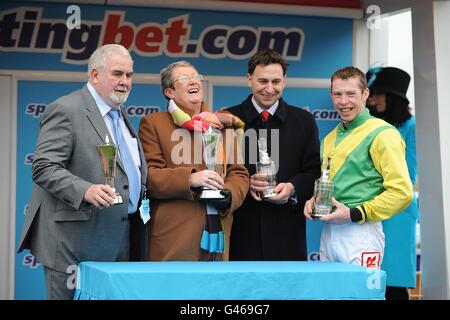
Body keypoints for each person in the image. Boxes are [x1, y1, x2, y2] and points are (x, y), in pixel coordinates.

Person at [17, 44, 148, 300]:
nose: (125, 82)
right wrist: (85, 189)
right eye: (117, 74)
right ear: (95, 75)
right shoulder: (67, 109)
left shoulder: (119, 114)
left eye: (129, 75)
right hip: (74, 244)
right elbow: (43, 166)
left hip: (120, 239)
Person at [304, 66, 414, 269]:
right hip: (329, 231)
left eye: (350, 94)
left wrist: (356, 213)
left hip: (361, 232)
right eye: (337, 94)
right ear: (331, 95)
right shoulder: (329, 138)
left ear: (365, 94)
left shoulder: (383, 133)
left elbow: (402, 193)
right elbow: (329, 183)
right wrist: (314, 201)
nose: (343, 101)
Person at [138, 61, 249, 261]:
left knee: (214, 291)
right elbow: (150, 176)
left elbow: (239, 173)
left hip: (219, 233)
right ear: (169, 92)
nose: (193, 82)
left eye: (196, 77)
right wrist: (190, 179)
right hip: (175, 237)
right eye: (185, 79)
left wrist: (229, 195)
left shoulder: (223, 123)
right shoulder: (153, 123)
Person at [226, 49, 321, 261]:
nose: (269, 89)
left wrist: (292, 188)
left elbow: (314, 170)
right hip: (240, 233)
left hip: (288, 234)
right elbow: (217, 172)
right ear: (249, 79)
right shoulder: (227, 118)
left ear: (285, 81)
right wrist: (243, 183)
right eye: (263, 81)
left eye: (276, 81)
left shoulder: (304, 121)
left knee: (286, 294)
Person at [366, 66, 420, 300]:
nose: (372, 99)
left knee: (392, 282)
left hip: (397, 211)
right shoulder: (368, 124)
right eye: (371, 93)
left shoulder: (411, 126)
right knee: (367, 280)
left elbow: (408, 173)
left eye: (378, 93)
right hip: (368, 206)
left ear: (394, 98)